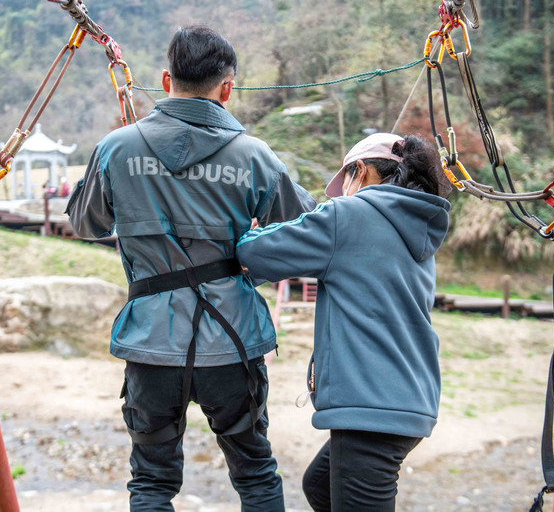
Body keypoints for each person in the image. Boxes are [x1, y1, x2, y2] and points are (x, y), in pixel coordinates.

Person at [66, 25, 315, 511]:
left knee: (152, 482)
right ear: (228, 88)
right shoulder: (254, 155)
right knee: (256, 474)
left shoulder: (116, 148)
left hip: (153, 342)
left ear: (165, 80)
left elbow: (85, 223)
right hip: (233, 341)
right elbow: (303, 231)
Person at [236, 133, 452, 512]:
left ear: (360, 170)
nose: (339, 195)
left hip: (372, 406)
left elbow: (255, 253)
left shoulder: (349, 215)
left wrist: (251, 229)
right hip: (408, 396)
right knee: (319, 486)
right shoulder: (417, 224)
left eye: (344, 184)